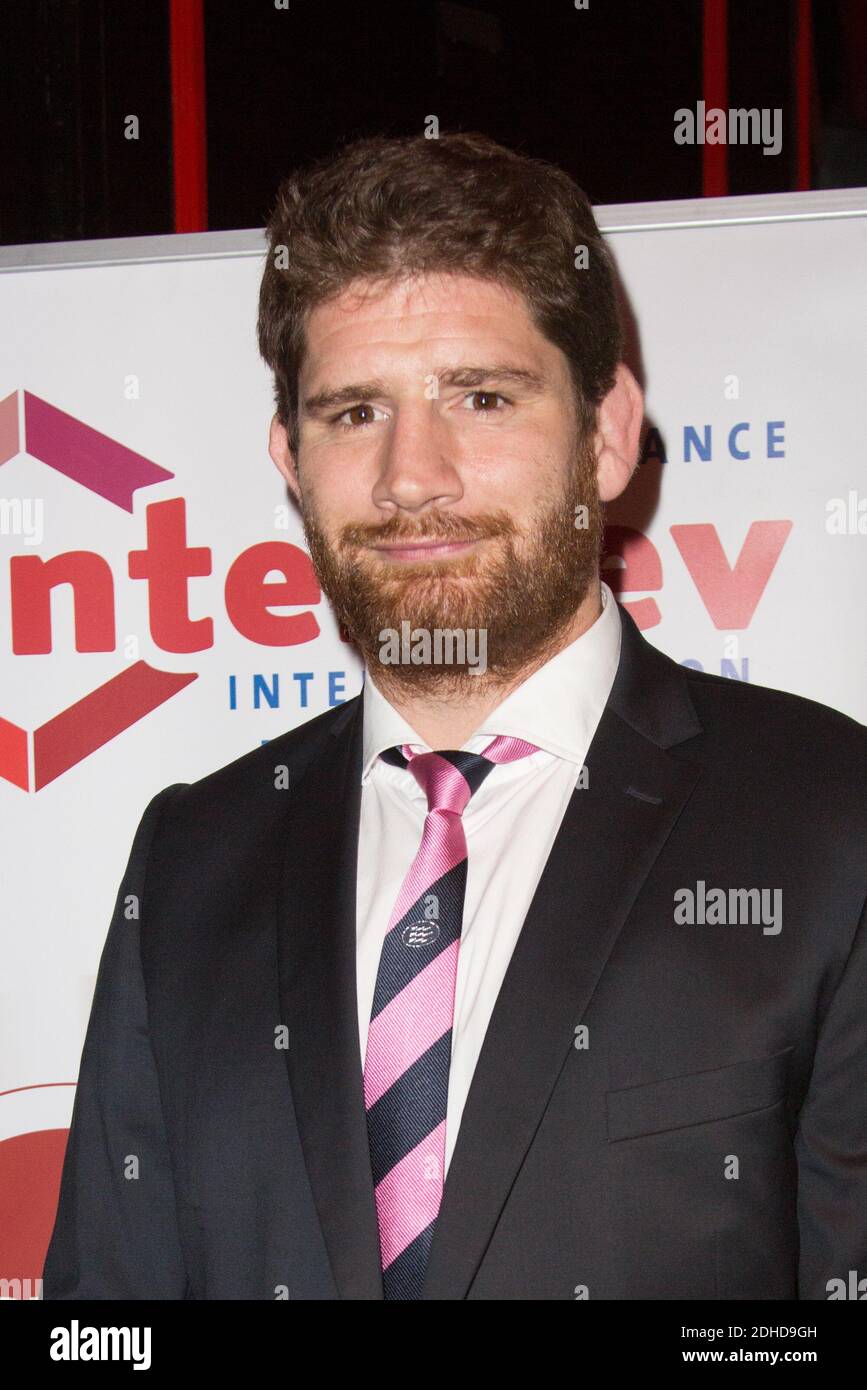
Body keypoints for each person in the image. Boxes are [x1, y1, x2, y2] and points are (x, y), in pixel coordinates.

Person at [42, 131, 867, 1301]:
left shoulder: (831, 821)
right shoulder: (192, 859)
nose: (410, 477)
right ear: (289, 456)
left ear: (609, 431)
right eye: (352, 413)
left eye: (481, 398)